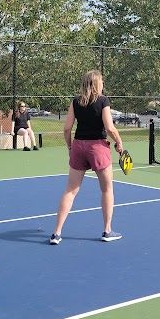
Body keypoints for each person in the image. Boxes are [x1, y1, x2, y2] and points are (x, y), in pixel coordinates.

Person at [49, 70, 124, 245]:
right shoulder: (103, 101)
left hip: (78, 146)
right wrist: (119, 142)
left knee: (70, 191)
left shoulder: (75, 102)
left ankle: (56, 234)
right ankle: (107, 230)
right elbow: (110, 128)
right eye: (102, 81)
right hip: (97, 147)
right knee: (107, 190)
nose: (103, 84)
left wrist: (70, 146)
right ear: (97, 83)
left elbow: (67, 128)